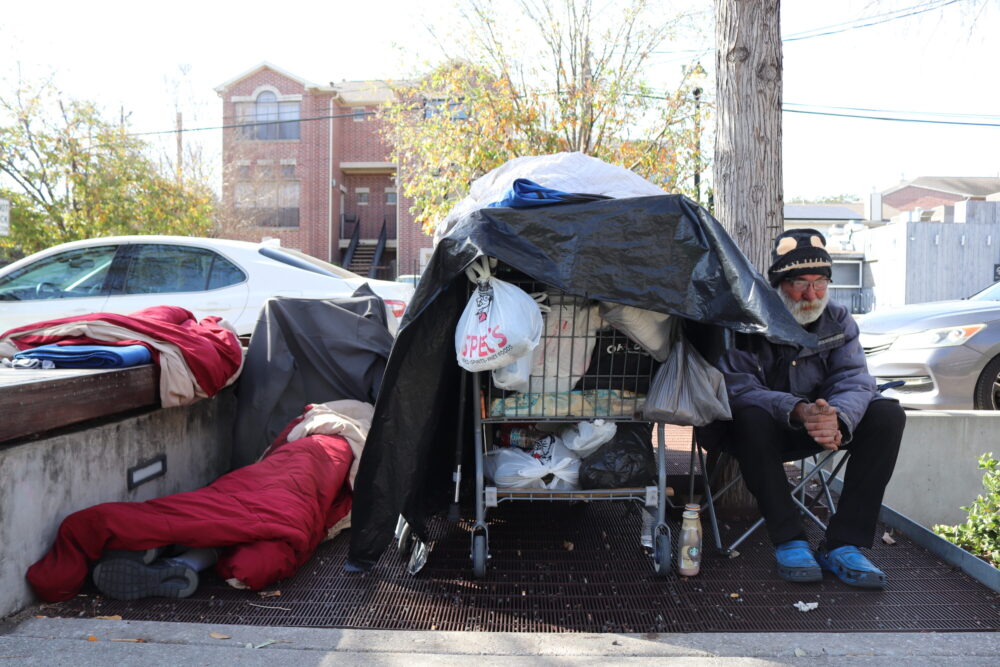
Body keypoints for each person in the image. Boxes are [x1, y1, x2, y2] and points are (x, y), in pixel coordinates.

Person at [708, 228, 905, 588]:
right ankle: (790, 540)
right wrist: (798, 409)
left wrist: (837, 418)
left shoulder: (839, 319)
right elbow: (736, 388)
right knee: (750, 415)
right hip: (752, 432)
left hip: (819, 426)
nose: (812, 294)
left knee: (887, 414)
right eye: (800, 283)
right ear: (778, 284)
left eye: (820, 283)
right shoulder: (744, 318)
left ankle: (844, 544)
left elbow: (854, 379)